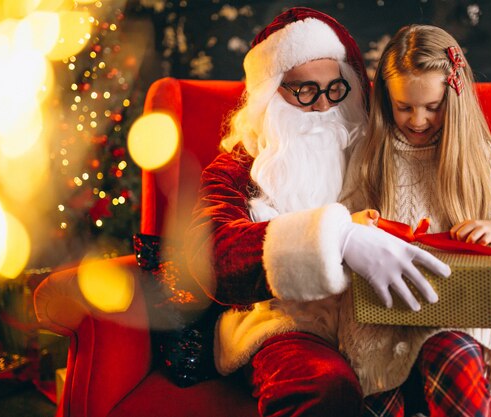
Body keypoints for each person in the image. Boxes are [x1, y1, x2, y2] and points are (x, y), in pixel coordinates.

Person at [184, 8, 450, 417]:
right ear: (271, 93)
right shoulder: (238, 167)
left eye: (335, 88)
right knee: (321, 388)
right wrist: (337, 238)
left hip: (372, 316)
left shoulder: (374, 148)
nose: (324, 105)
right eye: (304, 91)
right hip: (282, 322)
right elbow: (215, 258)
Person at [339, 24, 491, 417]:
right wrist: (353, 225)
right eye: (405, 107)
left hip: (459, 322)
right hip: (384, 324)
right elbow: (340, 229)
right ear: (387, 99)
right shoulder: (370, 154)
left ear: (455, 96)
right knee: (376, 396)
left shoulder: (475, 154)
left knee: (455, 359)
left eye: (433, 107)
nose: (418, 120)